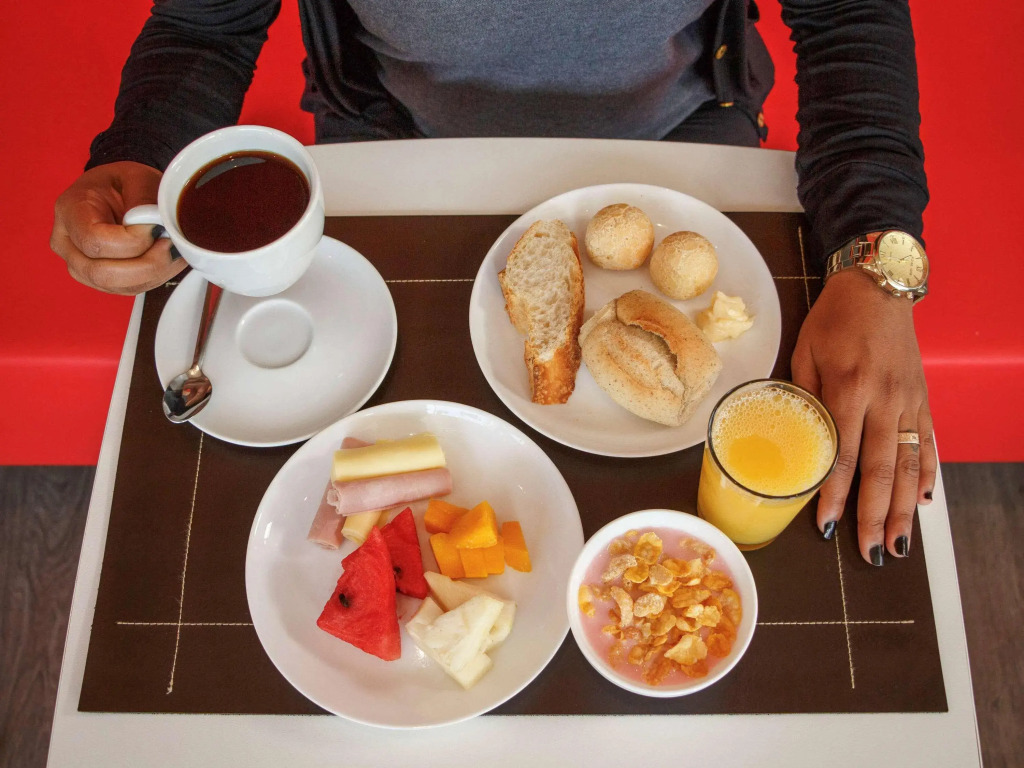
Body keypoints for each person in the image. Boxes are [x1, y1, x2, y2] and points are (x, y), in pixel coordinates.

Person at [50, 0, 935, 566]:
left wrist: (873, 258)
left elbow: (848, 14)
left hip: (689, 140)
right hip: (391, 147)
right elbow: (206, 24)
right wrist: (142, 152)